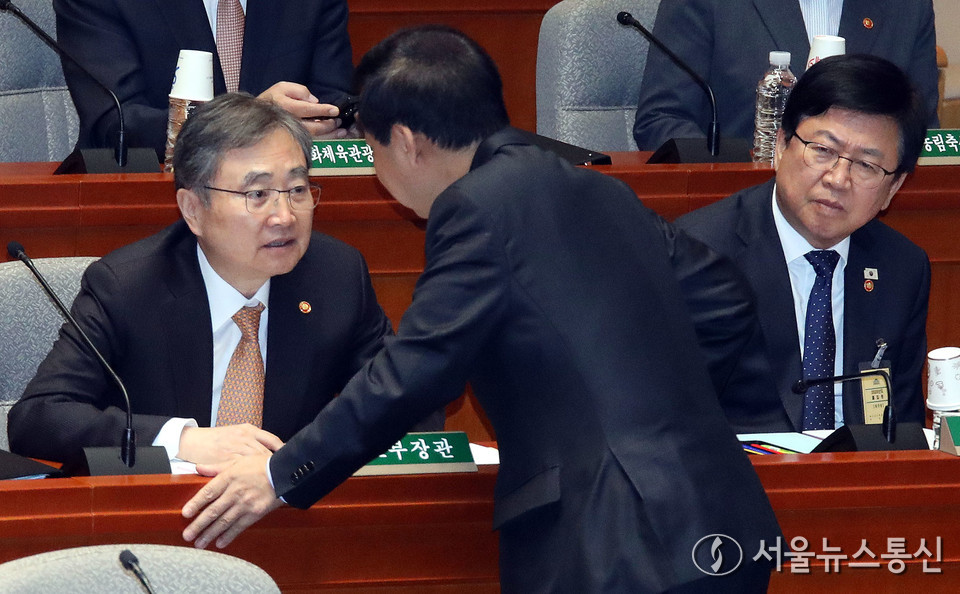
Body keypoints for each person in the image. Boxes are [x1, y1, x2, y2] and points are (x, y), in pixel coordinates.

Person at [181, 26, 780, 592]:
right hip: (718, 516)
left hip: (615, 544)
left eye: (372, 147)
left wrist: (281, 474)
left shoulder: (476, 207)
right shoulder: (592, 183)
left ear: (408, 143)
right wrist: (652, 410)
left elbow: (413, 371)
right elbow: (725, 303)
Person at [7, 93, 445, 468]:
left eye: (297, 189)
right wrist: (185, 441)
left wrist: (306, 458)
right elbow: (38, 418)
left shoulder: (336, 275)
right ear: (193, 209)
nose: (284, 215)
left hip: (290, 519)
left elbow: (410, 407)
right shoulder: (127, 286)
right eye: (256, 195)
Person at [676, 54, 930, 433]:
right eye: (823, 150)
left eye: (866, 165)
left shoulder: (902, 268)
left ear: (893, 188)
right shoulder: (698, 254)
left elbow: (901, 432)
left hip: (860, 484)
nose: (838, 178)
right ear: (780, 145)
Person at [54, 0, 354, 160]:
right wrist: (252, 121)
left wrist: (326, 122)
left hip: (286, 194)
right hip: (152, 204)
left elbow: (335, 101)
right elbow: (117, 123)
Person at [633, 0, 940, 151]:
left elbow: (922, 133)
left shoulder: (907, 7)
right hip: (742, 219)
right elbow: (662, 119)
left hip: (869, 229)